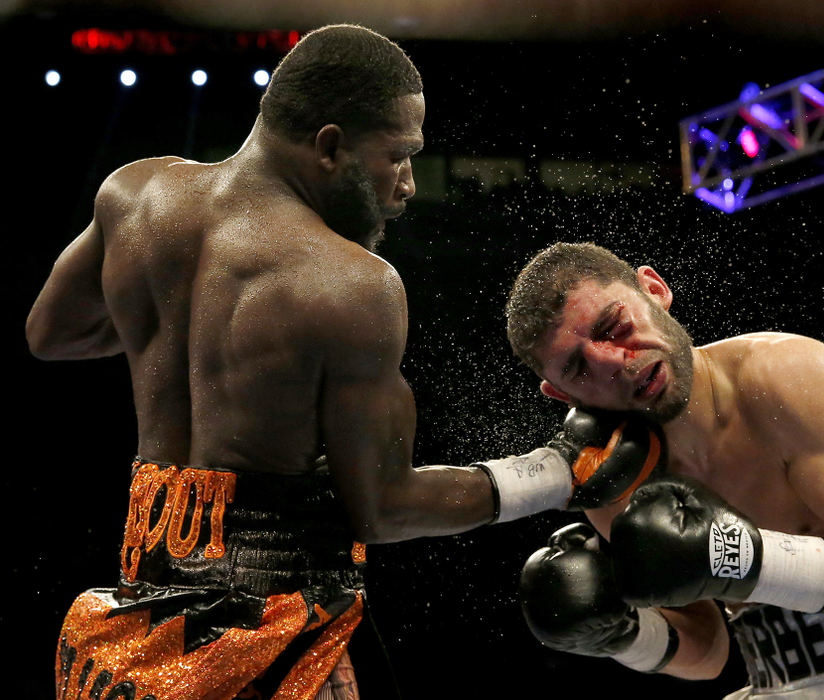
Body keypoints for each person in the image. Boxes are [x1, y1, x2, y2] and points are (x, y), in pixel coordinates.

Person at [26, 29, 664, 700]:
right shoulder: (353, 284)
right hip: (277, 645)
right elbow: (383, 510)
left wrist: (184, 328)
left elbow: (53, 333)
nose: (408, 184)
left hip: (137, 626)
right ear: (329, 147)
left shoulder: (135, 195)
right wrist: (556, 471)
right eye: (397, 156)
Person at [507, 241, 824, 698]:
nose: (615, 361)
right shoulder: (610, 480)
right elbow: (709, 653)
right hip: (779, 681)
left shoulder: (784, 373)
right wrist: (628, 636)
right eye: (579, 368)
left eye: (614, 326)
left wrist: (740, 558)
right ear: (563, 396)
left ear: (653, 290)